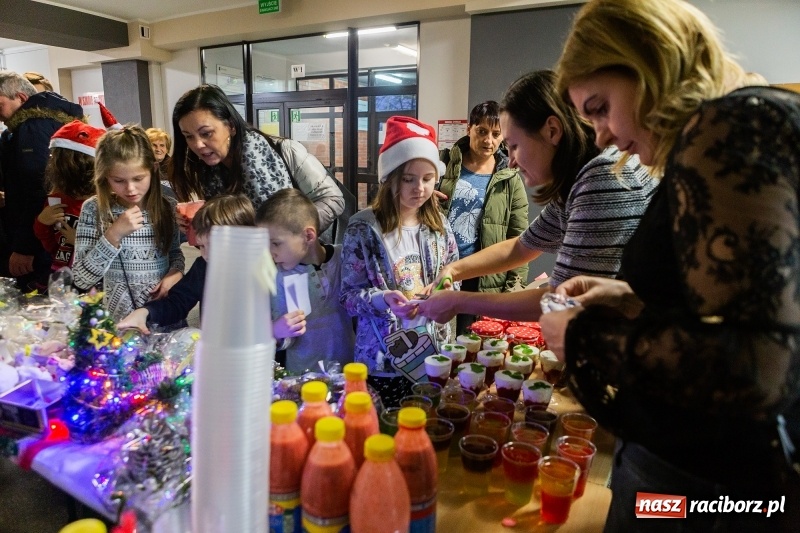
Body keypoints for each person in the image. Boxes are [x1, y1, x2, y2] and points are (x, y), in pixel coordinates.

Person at [540, 1, 800, 531]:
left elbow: (757, 367)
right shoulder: (756, 118)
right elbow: (745, 302)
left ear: (649, 64)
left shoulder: (724, 130)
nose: (601, 136)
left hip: (702, 490)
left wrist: (582, 338)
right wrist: (629, 298)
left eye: (599, 107)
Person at [418, 70, 655, 324]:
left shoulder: (600, 178)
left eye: (515, 145)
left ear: (552, 131)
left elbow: (560, 301)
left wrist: (457, 301)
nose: (511, 161)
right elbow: (523, 246)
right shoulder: (578, 179)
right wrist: (454, 269)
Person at [340, 116, 459, 406]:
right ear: (389, 178)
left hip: (433, 351)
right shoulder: (363, 228)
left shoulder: (439, 226)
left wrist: (442, 290)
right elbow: (347, 297)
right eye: (408, 179)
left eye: (427, 179)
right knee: (386, 434)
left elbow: (454, 275)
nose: (419, 188)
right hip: (383, 358)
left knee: (428, 429)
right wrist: (383, 299)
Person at [168, 84, 344, 234]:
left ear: (231, 126)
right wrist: (199, 222)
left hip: (300, 263)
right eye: (189, 136)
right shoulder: (206, 171)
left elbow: (333, 200)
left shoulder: (285, 151)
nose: (198, 144)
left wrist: (293, 230)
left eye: (206, 133)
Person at [72, 125, 184, 322]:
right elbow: (81, 278)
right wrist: (113, 235)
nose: (130, 188)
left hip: (164, 319)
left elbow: (174, 253)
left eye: (138, 178)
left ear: (154, 169)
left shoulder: (167, 207)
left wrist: (175, 273)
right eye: (119, 180)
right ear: (106, 176)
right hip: (118, 327)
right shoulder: (94, 209)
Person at [438, 100, 529, 333]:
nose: (489, 140)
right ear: (469, 129)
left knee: (471, 350)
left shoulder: (510, 178)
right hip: (440, 271)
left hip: (483, 278)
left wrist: (514, 289)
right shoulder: (442, 164)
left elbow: (520, 237)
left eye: (496, 134)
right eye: (482, 131)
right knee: (437, 345)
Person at [117, 194, 255, 333]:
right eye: (202, 246)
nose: (206, 255)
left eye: (215, 246)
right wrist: (145, 312)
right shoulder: (203, 267)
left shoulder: (263, 271)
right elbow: (178, 302)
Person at [0, 71, 83, 290]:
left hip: (41, 238)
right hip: (58, 231)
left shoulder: (31, 128)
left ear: (22, 98)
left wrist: (24, 247)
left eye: (0, 105)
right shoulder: (52, 120)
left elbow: (38, 187)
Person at [256, 188, 354, 373]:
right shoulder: (275, 277)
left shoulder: (345, 258)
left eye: (276, 243)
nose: (270, 251)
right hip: (301, 379)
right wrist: (275, 330)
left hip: (350, 373)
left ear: (308, 236)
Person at [33, 121, 106, 272]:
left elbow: (115, 246)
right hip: (61, 273)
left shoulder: (105, 202)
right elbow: (50, 244)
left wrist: (80, 241)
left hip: (96, 278)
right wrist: (42, 222)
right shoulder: (56, 200)